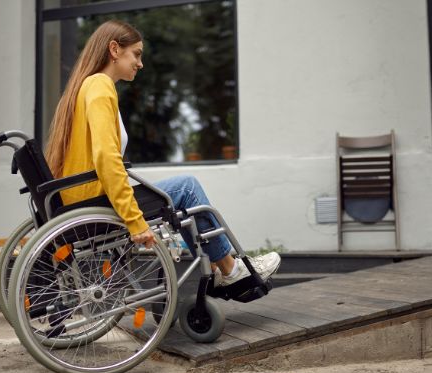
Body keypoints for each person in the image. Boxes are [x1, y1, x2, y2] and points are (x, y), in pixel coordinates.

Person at [43, 20, 280, 287]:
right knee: (187, 188)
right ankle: (230, 269)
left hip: (84, 201)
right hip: (97, 202)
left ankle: (220, 266)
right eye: (137, 53)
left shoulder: (85, 86)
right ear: (114, 49)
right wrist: (135, 221)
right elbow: (106, 159)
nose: (140, 63)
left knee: (182, 193)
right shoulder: (99, 85)